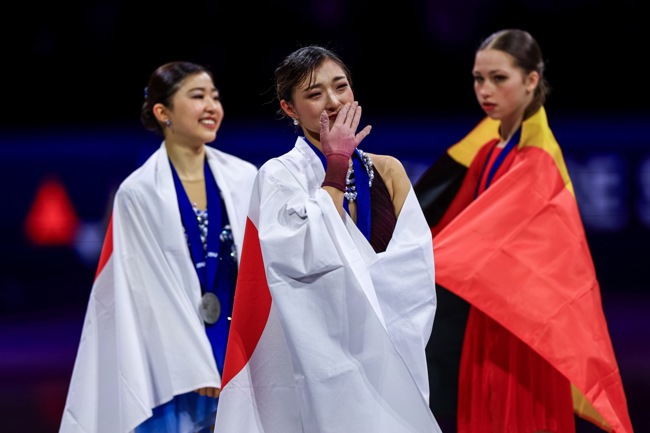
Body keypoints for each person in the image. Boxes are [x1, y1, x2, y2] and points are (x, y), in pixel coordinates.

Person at [212, 45, 442, 433]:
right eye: (315, 94)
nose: (334, 102)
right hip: (318, 359)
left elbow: (415, 268)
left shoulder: (389, 171)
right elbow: (301, 254)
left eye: (341, 86)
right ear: (289, 108)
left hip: (390, 349)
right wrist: (336, 164)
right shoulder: (277, 177)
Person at [414, 29, 634, 433]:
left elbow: (480, 242)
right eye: (479, 78)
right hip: (487, 322)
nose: (485, 90)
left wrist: (415, 259)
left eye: (499, 78)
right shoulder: (488, 150)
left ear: (531, 80)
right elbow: (445, 222)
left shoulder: (538, 160)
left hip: (523, 333)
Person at [58, 61, 258, 433]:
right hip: (173, 370)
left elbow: (259, 272)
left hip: (241, 359)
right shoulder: (138, 192)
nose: (211, 106)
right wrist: (196, 364)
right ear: (163, 112)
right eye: (197, 96)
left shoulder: (246, 177)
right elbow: (146, 289)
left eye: (215, 96)